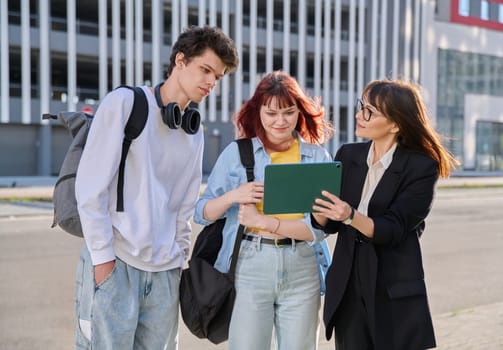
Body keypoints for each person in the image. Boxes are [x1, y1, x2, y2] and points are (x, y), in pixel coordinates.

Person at [74, 25, 238, 349]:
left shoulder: (194, 131)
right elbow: (90, 189)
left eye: (217, 77)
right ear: (180, 60)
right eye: (205, 69)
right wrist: (104, 260)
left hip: (164, 273)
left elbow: (185, 203)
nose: (210, 82)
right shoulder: (125, 103)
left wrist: (178, 260)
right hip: (116, 264)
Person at [311, 79, 459, 350]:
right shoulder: (347, 154)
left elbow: (394, 229)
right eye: (361, 107)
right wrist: (317, 208)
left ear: (395, 124)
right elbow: (330, 224)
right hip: (347, 287)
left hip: (391, 288)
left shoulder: (421, 167)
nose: (359, 115)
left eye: (369, 111)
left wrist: (350, 215)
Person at [193, 70, 334, 350]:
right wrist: (234, 196)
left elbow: (318, 230)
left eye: (288, 112)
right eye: (271, 113)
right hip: (250, 263)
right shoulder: (237, 154)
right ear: (257, 112)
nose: (280, 121)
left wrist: (263, 221)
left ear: (299, 112)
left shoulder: (317, 157)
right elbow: (201, 212)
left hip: (302, 265)